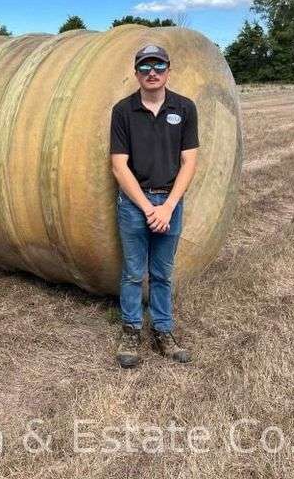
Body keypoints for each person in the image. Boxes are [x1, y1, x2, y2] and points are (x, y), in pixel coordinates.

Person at [109, 44, 199, 368]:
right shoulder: (123, 111)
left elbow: (189, 162)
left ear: (168, 71)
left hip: (170, 202)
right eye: (145, 67)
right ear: (136, 73)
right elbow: (119, 166)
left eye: (158, 66)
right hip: (135, 204)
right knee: (134, 273)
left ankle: (163, 331)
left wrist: (168, 206)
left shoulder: (185, 108)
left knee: (162, 273)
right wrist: (149, 208)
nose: (152, 73)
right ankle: (131, 330)